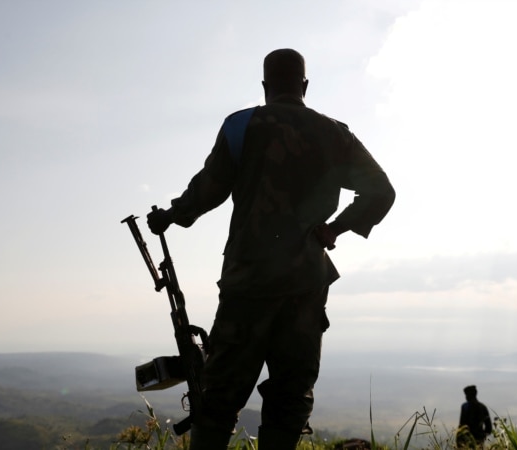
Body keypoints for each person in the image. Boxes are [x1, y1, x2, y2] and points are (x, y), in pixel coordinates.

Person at [146, 48, 395, 450]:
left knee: (220, 395)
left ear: (264, 87)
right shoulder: (335, 134)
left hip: (249, 282)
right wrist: (335, 229)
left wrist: (170, 216)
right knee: (290, 397)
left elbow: (206, 191)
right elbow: (382, 191)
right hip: (305, 285)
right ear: (305, 86)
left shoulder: (241, 126)